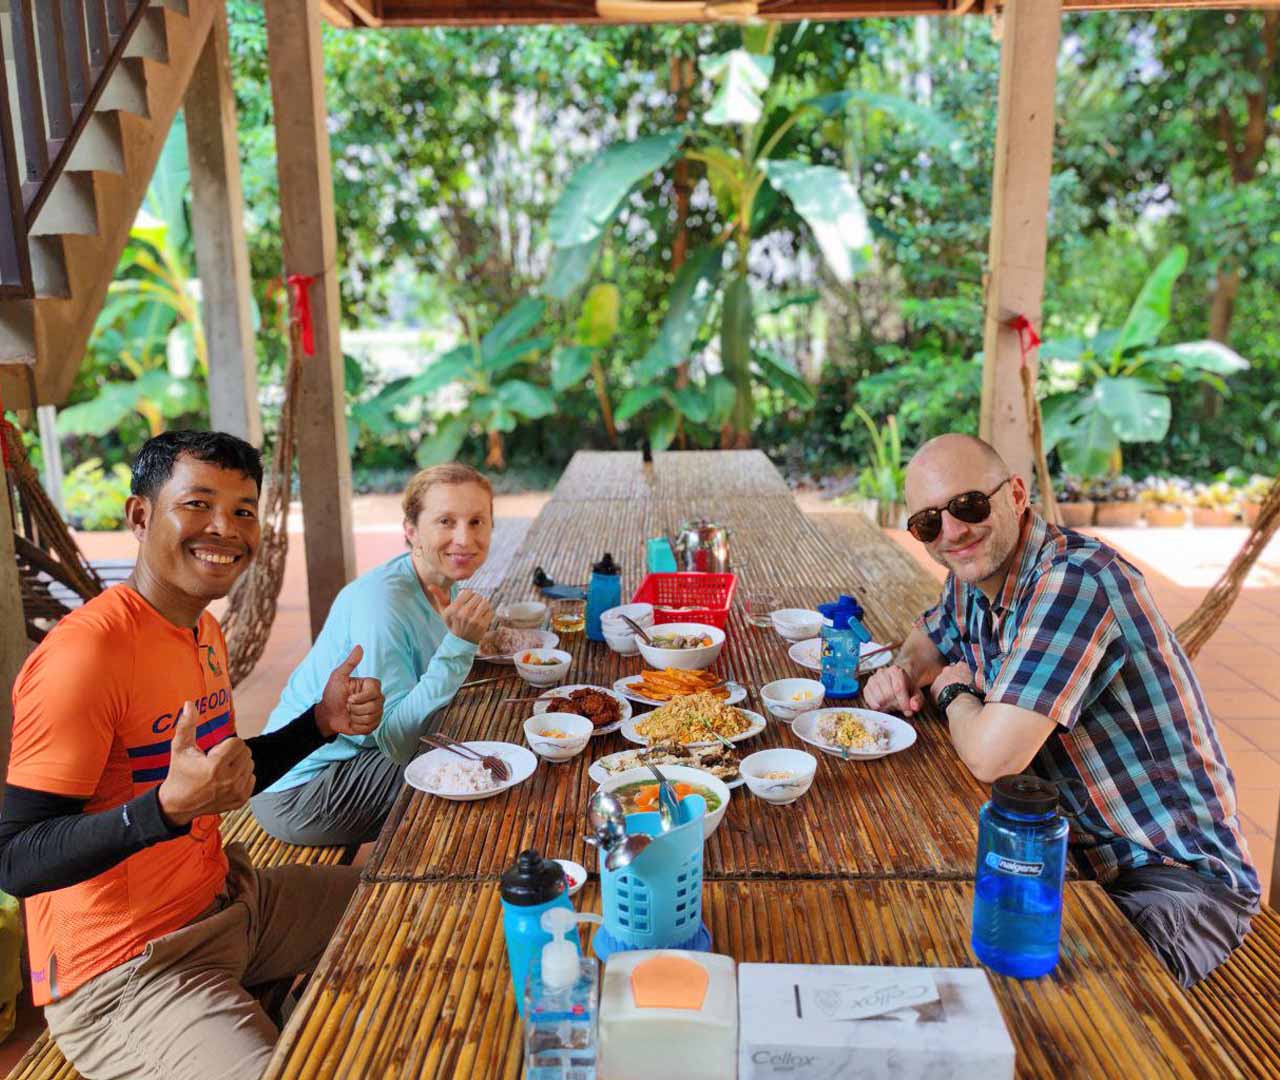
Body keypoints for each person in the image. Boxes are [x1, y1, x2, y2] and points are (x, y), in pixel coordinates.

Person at [0, 430, 385, 1080]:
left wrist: (320, 725)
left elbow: (220, 777)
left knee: (408, 907)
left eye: (241, 510)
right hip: (127, 971)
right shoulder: (86, 656)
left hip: (229, 901)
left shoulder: (201, 628)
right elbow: (14, 859)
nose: (225, 528)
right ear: (140, 515)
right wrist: (160, 813)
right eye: (198, 504)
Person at [863, 433, 1259, 987]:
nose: (952, 532)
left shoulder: (1076, 580)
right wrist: (903, 672)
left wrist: (955, 695)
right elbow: (928, 640)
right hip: (1067, 851)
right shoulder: (974, 576)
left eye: (968, 506)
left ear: (1017, 495)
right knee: (926, 944)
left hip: (1172, 878)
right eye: (928, 523)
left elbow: (991, 756)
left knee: (1076, 1007)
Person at [251, 463, 495, 847]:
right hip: (301, 790)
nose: (464, 538)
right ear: (411, 531)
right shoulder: (384, 603)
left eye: (477, 521)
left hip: (358, 760)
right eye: (446, 521)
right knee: (482, 776)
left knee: (489, 735)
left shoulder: (435, 584)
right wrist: (458, 646)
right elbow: (396, 742)